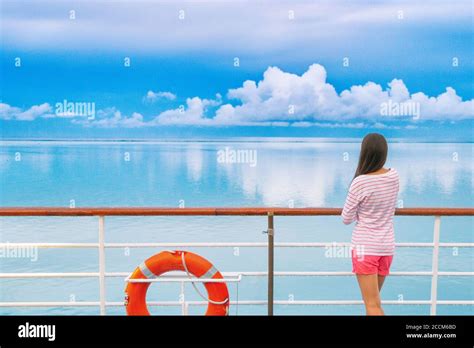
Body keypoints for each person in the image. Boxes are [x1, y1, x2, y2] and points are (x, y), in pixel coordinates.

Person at [342, 133, 399, 315]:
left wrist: (362, 210)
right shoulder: (394, 176)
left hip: (365, 249)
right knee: (374, 303)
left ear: (364, 153)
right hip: (386, 248)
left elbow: (346, 218)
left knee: (372, 305)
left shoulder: (360, 182)